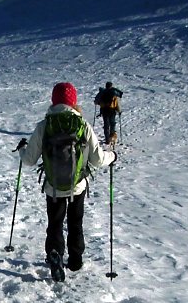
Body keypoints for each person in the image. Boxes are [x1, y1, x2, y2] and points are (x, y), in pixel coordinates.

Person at [15, 82, 116, 281]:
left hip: (53, 186)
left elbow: (28, 160)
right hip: (77, 185)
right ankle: (76, 259)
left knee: (55, 222)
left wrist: (21, 149)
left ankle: (55, 252)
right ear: (74, 101)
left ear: (54, 100)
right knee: (75, 222)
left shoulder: (45, 126)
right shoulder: (82, 124)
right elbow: (97, 159)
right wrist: (112, 156)